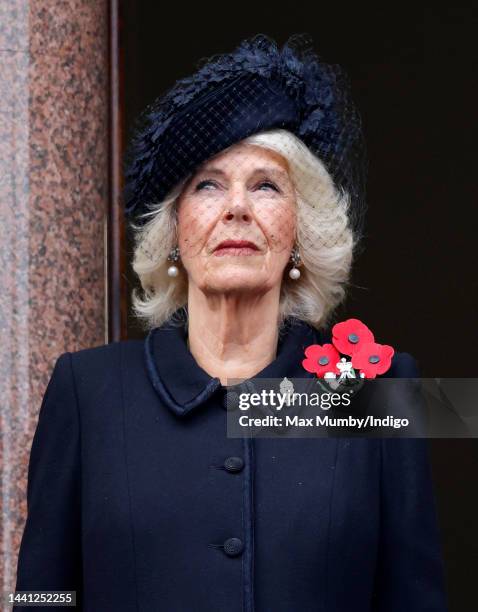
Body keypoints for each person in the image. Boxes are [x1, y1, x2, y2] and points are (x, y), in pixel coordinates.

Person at [14, 34, 448, 611]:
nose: (236, 207)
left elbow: (416, 598)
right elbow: (44, 596)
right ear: (174, 232)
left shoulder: (381, 390)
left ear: (299, 231)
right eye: (207, 185)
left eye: (266, 185)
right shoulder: (86, 391)